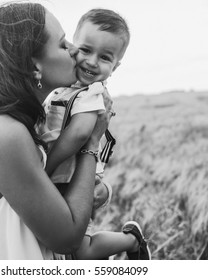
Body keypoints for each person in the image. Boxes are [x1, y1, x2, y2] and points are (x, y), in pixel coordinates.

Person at [0, 1, 114, 260]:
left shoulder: (9, 124)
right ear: (34, 67)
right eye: (63, 44)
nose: (75, 51)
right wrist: (92, 141)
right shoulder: (2, 134)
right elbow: (69, 238)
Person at [38, 9, 151, 259]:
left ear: (115, 66)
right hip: (60, 179)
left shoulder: (94, 95)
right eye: (86, 50)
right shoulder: (64, 89)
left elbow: (78, 134)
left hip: (74, 179)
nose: (91, 61)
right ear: (72, 47)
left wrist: (44, 169)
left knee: (80, 250)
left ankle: (132, 242)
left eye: (105, 57)